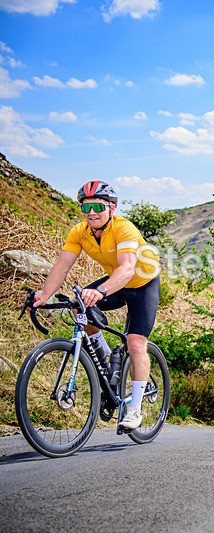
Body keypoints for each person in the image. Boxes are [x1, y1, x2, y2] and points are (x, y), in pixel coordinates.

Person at [32, 180, 160, 431]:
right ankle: (107, 361)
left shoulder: (124, 228)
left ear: (111, 208)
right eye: (86, 206)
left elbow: (127, 268)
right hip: (116, 281)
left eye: (98, 206)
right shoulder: (79, 232)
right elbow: (62, 266)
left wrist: (100, 291)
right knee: (78, 307)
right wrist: (44, 296)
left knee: (135, 343)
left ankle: (134, 409)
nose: (91, 212)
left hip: (143, 283)